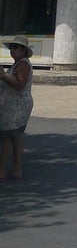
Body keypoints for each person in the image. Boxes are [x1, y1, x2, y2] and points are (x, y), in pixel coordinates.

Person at [0, 35, 34, 179]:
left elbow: (20, 84)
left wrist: (3, 76)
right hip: (15, 105)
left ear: (23, 50)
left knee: (6, 137)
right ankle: (16, 168)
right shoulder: (18, 64)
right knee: (16, 136)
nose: (12, 50)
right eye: (11, 47)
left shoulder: (23, 65)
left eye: (16, 47)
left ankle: (2, 170)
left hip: (16, 106)